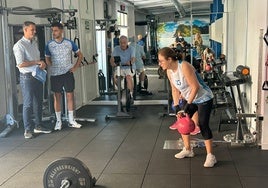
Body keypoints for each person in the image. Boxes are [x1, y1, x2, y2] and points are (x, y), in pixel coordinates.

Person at [158, 47, 217, 168]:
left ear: (169, 59)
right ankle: (188, 150)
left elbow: (195, 87)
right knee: (182, 120)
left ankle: (211, 156)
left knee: (202, 124)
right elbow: (174, 89)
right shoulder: (169, 71)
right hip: (190, 98)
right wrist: (176, 107)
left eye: (161, 61)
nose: (160, 63)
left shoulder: (184, 66)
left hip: (204, 97)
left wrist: (187, 106)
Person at [13, 21, 52, 139]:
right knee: (28, 104)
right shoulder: (19, 45)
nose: (35, 32)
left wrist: (42, 64)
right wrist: (37, 62)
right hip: (27, 78)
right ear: (25, 30)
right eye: (32, 30)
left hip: (37, 75)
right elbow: (20, 64)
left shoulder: (34, 43)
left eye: (35, 29)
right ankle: (27, 130)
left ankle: (38, 125)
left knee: (38, 102)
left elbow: (36, 59)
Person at [45, 22, 83, 130]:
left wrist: (75, 67)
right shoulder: (49, 44)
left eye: (56, 30)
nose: (53, 33)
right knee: (57, 97)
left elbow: (80, 55)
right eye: (52, 30)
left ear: (61, 31)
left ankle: (71, 120)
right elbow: (47, 58)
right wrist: (51, 65)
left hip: (67, 73)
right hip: (55, 74)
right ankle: (58, 121)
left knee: (70, 96)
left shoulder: (69, 43)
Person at [110, 35, 135, 101]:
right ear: (119, 43)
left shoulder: (131, 48)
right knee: (114, 78)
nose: (123, 44)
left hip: (129, 67)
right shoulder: (116, 48)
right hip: (119, 68)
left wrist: (130, 62)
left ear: (127, 42)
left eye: (124, 43)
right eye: (121, 43)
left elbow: (133, 58)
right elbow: (112, 58)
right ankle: (121, 91)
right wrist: (112, 63)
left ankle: (130, 95)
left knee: (128, 77)